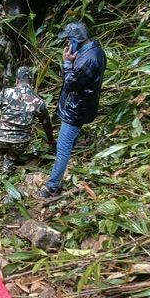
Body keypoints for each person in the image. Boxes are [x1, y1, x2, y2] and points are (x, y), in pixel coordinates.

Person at [38, 21, 106, 198]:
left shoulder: (89, 58)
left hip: (76, 110)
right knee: (66, 143)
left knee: (63, 147)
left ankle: (52, 186)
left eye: (68, 40)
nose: (67, 44)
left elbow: (71, 84)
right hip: (80, 106)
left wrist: (67, 63)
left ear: (76, 40)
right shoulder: (90, 52)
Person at [0, 66, 55, 174]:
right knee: (12, 155)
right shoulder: (38, 101)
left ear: (17, 80)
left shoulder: (6, 92)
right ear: (31, 81)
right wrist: (50, 140)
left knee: (1, 146)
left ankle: (3, 155)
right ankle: (9, 162)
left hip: (0, 139)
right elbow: (46, 124)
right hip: (20, 142)